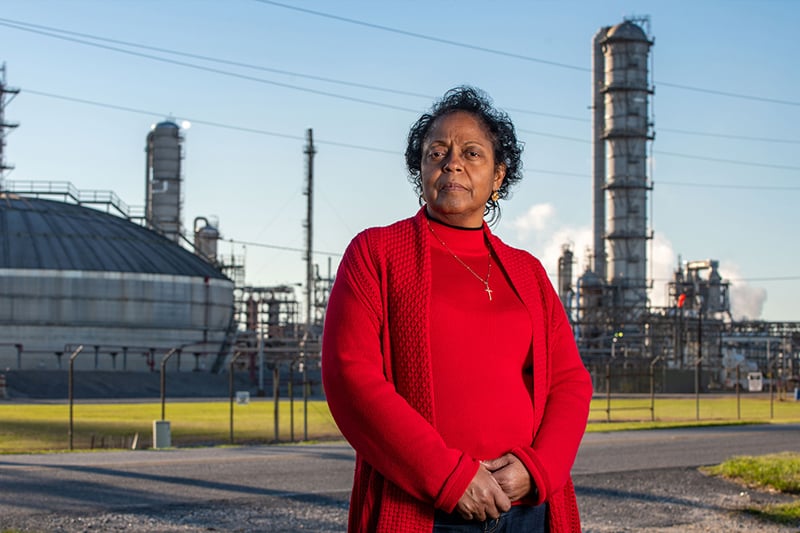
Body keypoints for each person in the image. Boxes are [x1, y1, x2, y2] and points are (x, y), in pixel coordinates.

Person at [322, 86, 593, 533]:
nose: (453, 163)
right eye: (437, 152)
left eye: (472, 153)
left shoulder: (528, 273)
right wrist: (450, 478)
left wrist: (537, 468)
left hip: (527, 507)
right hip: (426, 510)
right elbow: (350, 376)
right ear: (421, 169)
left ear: (498, 175)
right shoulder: (376, 253)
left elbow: (570, 382)